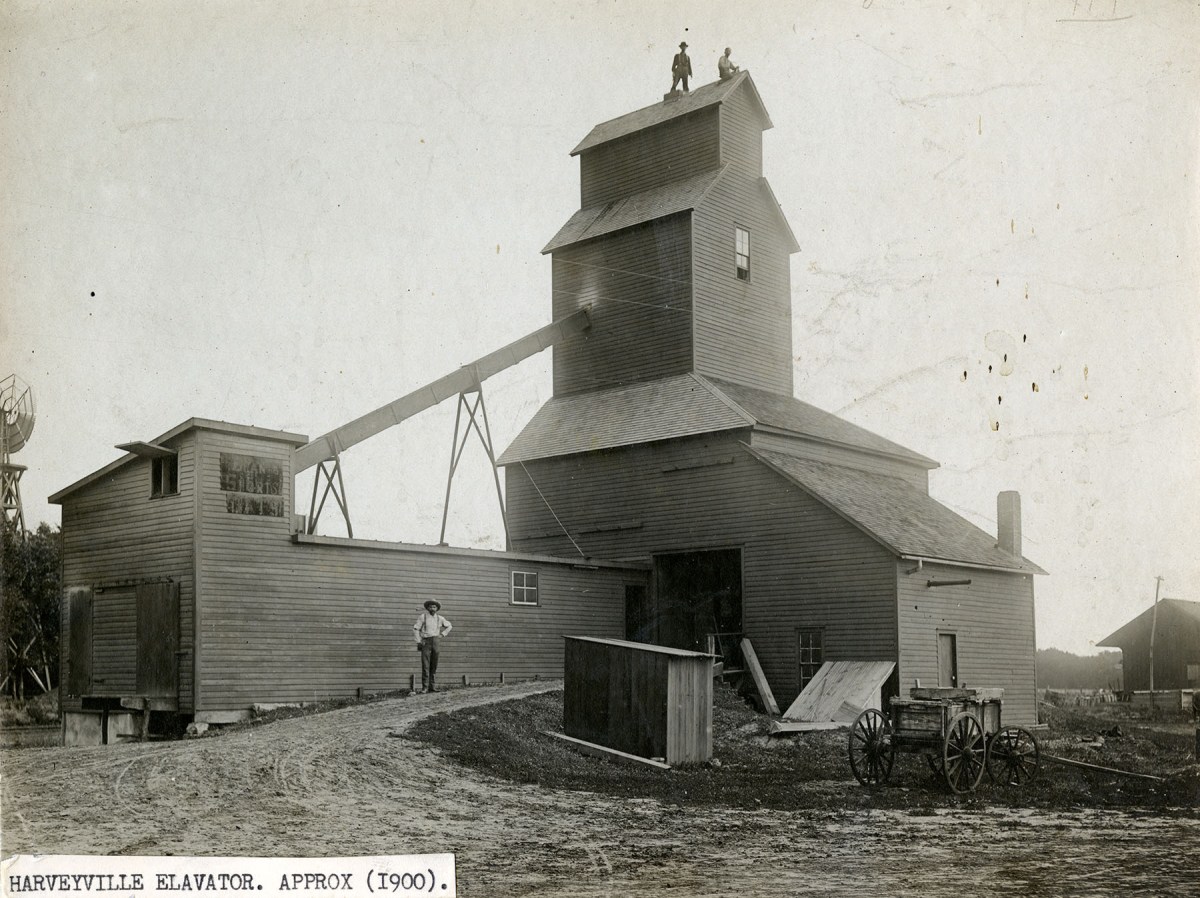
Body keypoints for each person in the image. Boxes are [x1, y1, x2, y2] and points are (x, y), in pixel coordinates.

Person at [412, 599, 452, 693]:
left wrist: (442, 634)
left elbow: (449, 626)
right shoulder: (423, 617)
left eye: (434, 607)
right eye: (430, 607)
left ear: (437, 608)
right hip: (426, 641)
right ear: (427, 608)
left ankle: (432, 687)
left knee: (434, 664)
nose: (432, 608)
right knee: (425, 664)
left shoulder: (440, 618)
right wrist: (418, 641)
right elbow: (416, 629)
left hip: (436, 641)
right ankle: (425, 688)